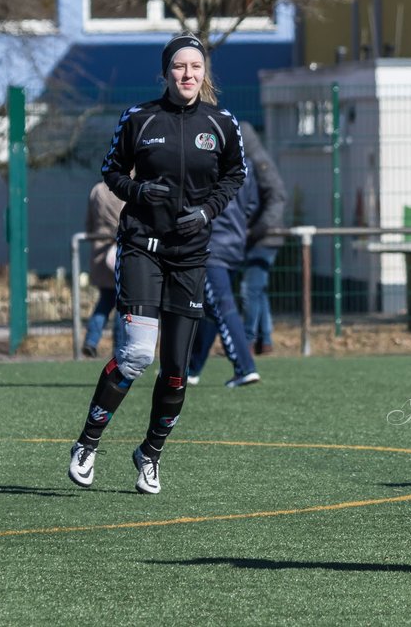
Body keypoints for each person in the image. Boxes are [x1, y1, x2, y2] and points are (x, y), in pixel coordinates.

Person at [67, 32, 245, 495]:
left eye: (196, 67)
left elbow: (235, 175)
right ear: (166, 72)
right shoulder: (139, 119)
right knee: (135, 355)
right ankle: (87, 444)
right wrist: (138, 192)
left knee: (175, 370)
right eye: (179, 67)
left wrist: (207, 212)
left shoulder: (223, 123)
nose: (187, 74)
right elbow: (110, 172)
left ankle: (150, 454)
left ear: (205, 74)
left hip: (190, 256)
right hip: (142, 247)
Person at [186, 160, 261, 387]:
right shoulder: (242, 163)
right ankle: (191, 369)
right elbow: (252, 205)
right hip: (235, 246)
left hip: (211, 246)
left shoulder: (201, 162)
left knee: (221, 306)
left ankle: (244, 367)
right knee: (211, 308)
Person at [239, 121, 286, 355]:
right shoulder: (252, 161)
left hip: (265, 236)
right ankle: (265, 341)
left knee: (250, 289)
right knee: (258, 290)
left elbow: (277, 196)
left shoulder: (259, 163)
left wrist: (259, 227)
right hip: (259, 234)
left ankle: (247, 341)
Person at [81, 180, 127, 358]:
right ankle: (118, 346)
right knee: (121, 301)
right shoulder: (126, 188)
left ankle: (91, 341)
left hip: (99, 250)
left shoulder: (97, 190)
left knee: (105, 300)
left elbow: (89, 222)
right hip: (119, 249)